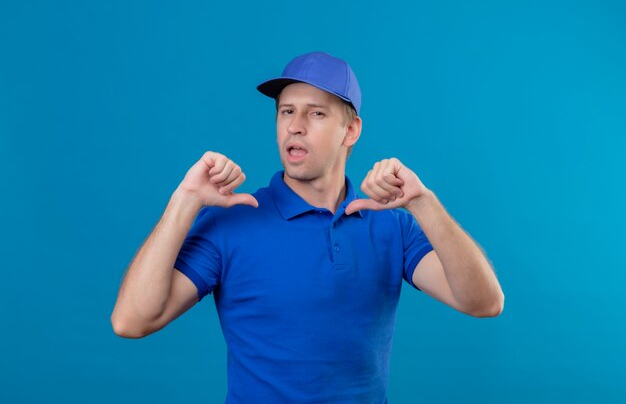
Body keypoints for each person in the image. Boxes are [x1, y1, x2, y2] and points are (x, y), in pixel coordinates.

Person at [111, 51, 505, 403]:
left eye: (315, 113)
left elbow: (484, 302)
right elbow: (131, 321)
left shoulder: (392, 227)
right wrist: (184, 201)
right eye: (286, 111)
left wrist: (423, 202)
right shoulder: (231, 221)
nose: (295, 126)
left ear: (350, 131)